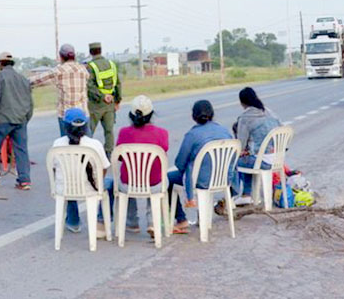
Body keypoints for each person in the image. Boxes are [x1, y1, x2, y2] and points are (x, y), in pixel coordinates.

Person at [97, 95, 169, 238]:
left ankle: (131, 222)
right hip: (154, 184)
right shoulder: (162, 133)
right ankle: (153, 222)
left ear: (131, 114)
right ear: (151, 114)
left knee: (123, 180)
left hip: (128, 184)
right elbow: (163, 151)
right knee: (156, 179)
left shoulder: (124, 133)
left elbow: (120, 157)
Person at [167, 100, 234, 234]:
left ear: (194, 116)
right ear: (212, 114)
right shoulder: (224, 131)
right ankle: (201, 217)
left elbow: (180, 163)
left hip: (200, 180)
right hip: (222, 178)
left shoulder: (192, 135)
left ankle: (181, 219)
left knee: (167, 178)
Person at [50, 108, 111, 233]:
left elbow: (54, 169)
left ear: (65, 126)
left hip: (64, 188)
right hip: (90, 187)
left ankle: (73, 222)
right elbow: (104, 168)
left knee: (69, 180)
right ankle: (100, 222)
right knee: (110, 183)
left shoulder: (57, 144)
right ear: (85, 126)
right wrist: (97, 182)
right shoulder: (94, 144)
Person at [0, 51, 33, 190]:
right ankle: (24, 180)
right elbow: (30, 103)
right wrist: (26, 118)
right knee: (21, 150)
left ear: (0, 64)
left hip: (3, 119)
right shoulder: (23, 79)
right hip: (21, 119)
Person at [233, 87, 281, 205]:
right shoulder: (269, 112)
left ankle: (237, 195)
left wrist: (243, 151)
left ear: (242, 102)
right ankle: (246, 194)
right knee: (247, 158)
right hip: (277, 158)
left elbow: (241, 145)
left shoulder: (245, 118)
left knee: (233, 162)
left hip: (262, 161)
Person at [30, 44, 90, 136]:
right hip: (83, 113)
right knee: (86, 143)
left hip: (65, 115)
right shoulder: (83, 70)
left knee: (66, 144)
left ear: (61, 56)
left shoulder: (59, 71)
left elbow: (36, 80)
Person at [87, 42, 121, 157]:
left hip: (96, 104)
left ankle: (87, 154)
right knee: (109, 130)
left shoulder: (90, 66)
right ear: (101, 50)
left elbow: (89, 86)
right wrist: (117, 100)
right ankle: (109, 154)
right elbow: (118, 83)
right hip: (110, 102)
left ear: (91, 52)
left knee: (89, 131)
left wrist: (101, 96)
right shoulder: (111, 64)